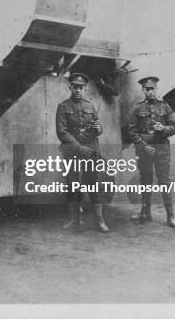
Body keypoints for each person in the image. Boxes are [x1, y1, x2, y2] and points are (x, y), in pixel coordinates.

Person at [56, 73, 108, 232]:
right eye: (75, 87)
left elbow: (97, 127)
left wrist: (98, 129)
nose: (78, 90)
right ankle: (74, 220)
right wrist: (79, 148)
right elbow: (62, 132)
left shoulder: (90, 106)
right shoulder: (63, 107)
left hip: (90, 149)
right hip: (72, 150)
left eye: (81, 87)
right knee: (72, 183)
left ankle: (99, 220)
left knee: (93, 183)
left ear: (85, 88)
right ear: (70, 87)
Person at [127, 76, 175, 228]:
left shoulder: (165, 107)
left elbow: (174, 126)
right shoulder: (137, 108)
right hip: (144, 150)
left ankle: (171, 216)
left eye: (152, 89)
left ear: (156, 89)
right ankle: (145, 212)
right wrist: (143, 145)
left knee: (164, 182)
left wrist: (164, 129)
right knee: (146, 180)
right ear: (143, 90)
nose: (150, 92)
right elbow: (131, 131)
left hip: (162, 149)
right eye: (147, 89)